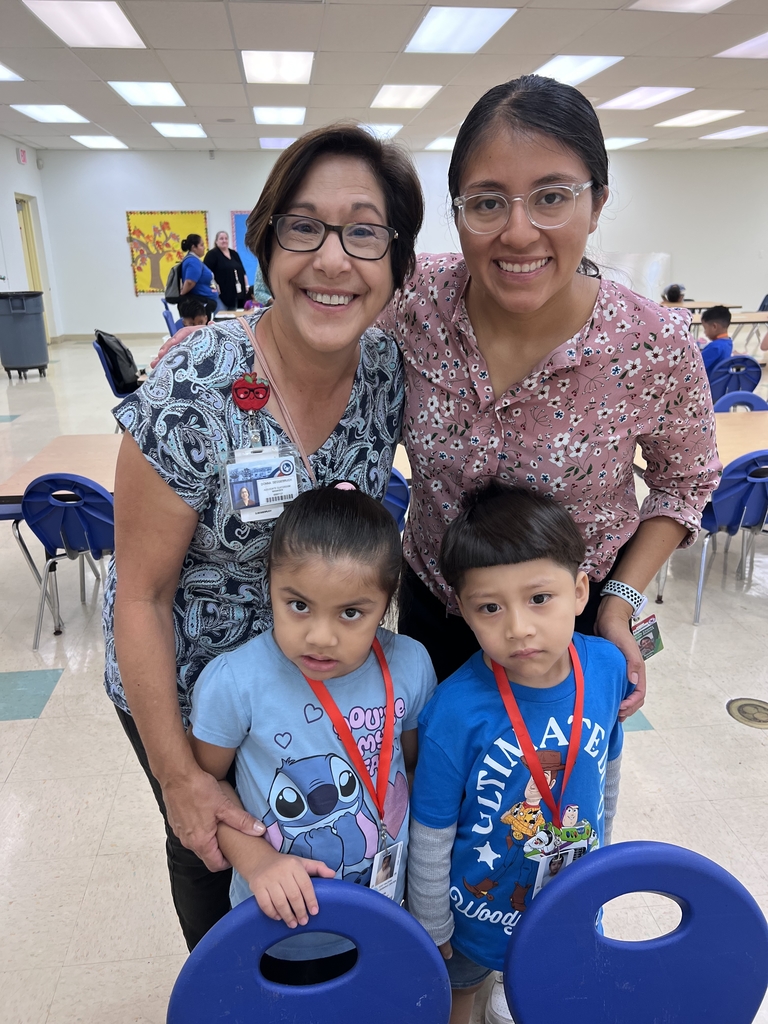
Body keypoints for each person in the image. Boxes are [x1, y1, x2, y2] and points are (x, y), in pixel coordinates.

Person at [103, 124, 423, 950]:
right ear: (265, 242)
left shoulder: (386, 371)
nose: (331, 259)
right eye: (304, 226)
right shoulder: (196, 378)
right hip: (192, 692)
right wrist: (179, 778)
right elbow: (140, 593)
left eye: (364, 231)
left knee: (320, 853)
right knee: (211, 850)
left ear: (397, 261)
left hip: (324, 672)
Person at [377, 75, 720, 716]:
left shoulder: (650, 342)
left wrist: (622, 601)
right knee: (435, 800)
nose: (518, 232)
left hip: (575, 629)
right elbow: (319, 322)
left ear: (597, 205)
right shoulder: (414, 300)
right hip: (437, 618)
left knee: (556, 807)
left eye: (551, 197)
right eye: (486, 203)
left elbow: (688, 482)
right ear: (457, 213)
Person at [188, 485, 436, 982]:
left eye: (351, 612)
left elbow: (412, 772)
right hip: (277, 931)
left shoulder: (410, 663)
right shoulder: (236, 682)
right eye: (298, 605)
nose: (320, 636)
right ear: (270, 587)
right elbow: (205, 793)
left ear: (386, 603)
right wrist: (258, 863)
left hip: (384, 917)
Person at [407, 482, 630, 1024]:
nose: (519, 628)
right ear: (461, 609)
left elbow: (609, 767)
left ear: (580, 592)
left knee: (544, 987)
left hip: (566, 892)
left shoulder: (605, 668)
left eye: (539, 598)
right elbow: (431, 832)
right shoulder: (454, 710)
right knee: (456, 996)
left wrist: (599, 856)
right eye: (490, 607)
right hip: (473, 910)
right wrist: (433, 928)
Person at [204, 230, 248, 310]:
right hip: (222, 295)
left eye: (226, 238)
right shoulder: (212, 254)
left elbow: (243, 271)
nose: (224, 241)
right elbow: (206, 273)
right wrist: (214, 285)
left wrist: (246, 285)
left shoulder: (234, 254)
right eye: (221, 239)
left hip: (237, 293)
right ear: (216, 241)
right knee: (223, 318)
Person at [179, 233, 219, 319]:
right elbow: (190, 282)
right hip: (200, 305)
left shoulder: (195, 260)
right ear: (194, 247)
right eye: (201, 245)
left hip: (203, 304)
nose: (204, 247)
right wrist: (182, 295)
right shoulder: (193, 261)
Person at [699, 306, 733, 373]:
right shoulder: (729, 342)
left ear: (714, 326)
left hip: (707, 381)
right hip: (720, 382)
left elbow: (697, 367)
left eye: (705, 328)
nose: (704, 332)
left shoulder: (715, 347)